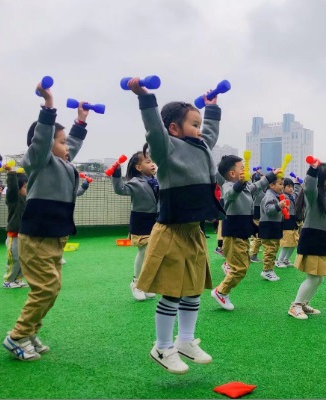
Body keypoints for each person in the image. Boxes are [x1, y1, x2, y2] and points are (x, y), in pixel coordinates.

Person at [126, 78, 224, 375]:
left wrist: (211, 110)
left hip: (193, 230)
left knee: (193, 289)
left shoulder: (201, 147)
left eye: (200, 124)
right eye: (194, 124)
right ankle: (162, 346)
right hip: (170, 230)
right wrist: (145, 97)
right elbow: (154, 129)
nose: (200, 129)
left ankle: (184, 341)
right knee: (172, 291)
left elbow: (209, 132)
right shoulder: (167, 150)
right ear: (173, 129)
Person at [2, 81, 91, 361]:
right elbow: (42, 141)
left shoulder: (64, 164)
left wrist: (80, 122)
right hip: (37, 235)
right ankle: (16, 336)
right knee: (46, 288)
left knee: (51, 289)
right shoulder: (39, 161)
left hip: (55, 236)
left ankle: (29, 332)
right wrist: (49, 107)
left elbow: (72, 145)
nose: (67, 147)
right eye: (61, 142)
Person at [211, 155, 278, 310]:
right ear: (232, 174)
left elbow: (259, 185)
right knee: (240, 269)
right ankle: (221, 292)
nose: (245, 170)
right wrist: (240, 184)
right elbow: (230, 195)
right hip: (233, 233)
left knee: (244, 263)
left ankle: (228, 264)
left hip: (241, 232)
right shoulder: (228, 186)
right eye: (242, 168)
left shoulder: (246, 186)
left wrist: (272, 175)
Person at [288, 159, 326, 320]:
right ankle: (295, 306)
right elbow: (308, 185)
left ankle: (302, 303)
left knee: (319, 278)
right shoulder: (314, 195)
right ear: (322, 179)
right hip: (312, 240)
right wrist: (313, 170)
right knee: (313, 277)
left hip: (321, 241)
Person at [112, 144, 158, 301]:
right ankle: (136, 283)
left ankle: (145, 284)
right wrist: (116, 173)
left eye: (152, 161)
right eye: (147, 161)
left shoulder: (157, 180)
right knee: (144, 251)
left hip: (156, 220)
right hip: (140, 220)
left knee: (152, 254)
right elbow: (120, 189)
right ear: (138, 167)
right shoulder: (135, 182)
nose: (152, 164)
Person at [2, 169, 29, 289]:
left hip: (24, 235)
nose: (26, 190)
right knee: (14, 259)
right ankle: (8, 280)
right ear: (19, 188)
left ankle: (18, 279)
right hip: (14, 235)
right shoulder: (14, 199)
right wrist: (12, 174)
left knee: (24, 259)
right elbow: (12, 189)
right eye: (25, 187)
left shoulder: (26, 200)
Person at [258, 176, 287, 281]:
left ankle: (269, 269)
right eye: (280, 184)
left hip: (273, 225)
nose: (282, 186)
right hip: (268, 226)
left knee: (273, 248)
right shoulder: (269, 196)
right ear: (271, 185)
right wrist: (279, 205)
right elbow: (268, 210)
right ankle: (266, 270)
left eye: (282, 184)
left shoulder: (275, 195)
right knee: (269, 249)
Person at [275, 177, 302, 268]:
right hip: (286, 222)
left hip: (293, 221)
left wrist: (297, 184)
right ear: (283, 187)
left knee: (294, 242)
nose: (291, 188)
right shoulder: (282, 196)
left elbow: (297, 192)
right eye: (288, 186)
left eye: (292, 187)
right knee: (286, 243)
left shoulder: (292, 196)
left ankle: (285, 259)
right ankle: (279, 260)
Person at [249, 171, 265, 263]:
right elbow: (256, 182)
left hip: (261, 214)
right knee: (258, 236)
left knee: (258, 236)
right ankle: (253, 255)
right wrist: (257, 173)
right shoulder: (257, 189)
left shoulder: (263, 190)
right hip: (257, 214)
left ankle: (253, 253)